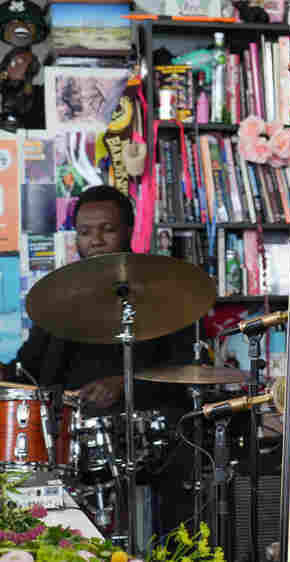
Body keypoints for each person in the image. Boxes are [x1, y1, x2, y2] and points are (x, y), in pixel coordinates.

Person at [0, 185, 196, 537]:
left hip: (147, 435)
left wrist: (124, 383)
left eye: (107, 229)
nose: (96, 240)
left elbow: (186, 370)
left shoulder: (165, 291)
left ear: (129, 231)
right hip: (69, 436)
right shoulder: (59, 296)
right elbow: (27, 369)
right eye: (85, 232)